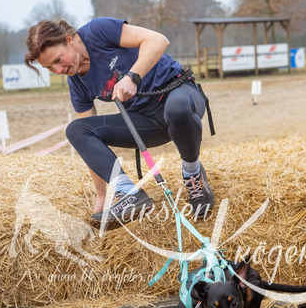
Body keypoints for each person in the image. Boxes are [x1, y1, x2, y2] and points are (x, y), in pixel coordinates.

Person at [24, 17, 215, 227]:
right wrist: (101, 194)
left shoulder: (98, 31)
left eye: (58, 60)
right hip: (146, 122)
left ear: (69, 40)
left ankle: (193, 174)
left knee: (177, 108)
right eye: (50, 67)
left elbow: (158, 40)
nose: (58, 70)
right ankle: (126, 192)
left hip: (178, 94)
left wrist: (133, 77)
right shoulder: (77, 83)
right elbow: (89, 145)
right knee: (76, 130)